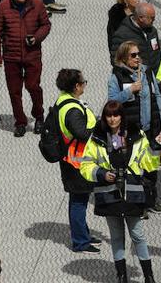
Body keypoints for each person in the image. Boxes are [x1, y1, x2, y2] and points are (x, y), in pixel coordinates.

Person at [78, 100, 161, 283]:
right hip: (109, 194)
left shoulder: (136, 135)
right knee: (116, 237)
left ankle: (149, 277)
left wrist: (156, 147)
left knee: (138, 235)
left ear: (122, 116)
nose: (112, 119)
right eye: (109, 115)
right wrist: (101, 173)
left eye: (116, 115)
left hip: (132, 193)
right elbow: (85, 165)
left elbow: (149, 164)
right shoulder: (97, 137)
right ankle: (121, 276)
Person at [0, 0, 50, 136]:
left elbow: (46, 25)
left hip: (32, 55)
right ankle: (20, 122)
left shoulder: (37, 4)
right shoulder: (3, 7)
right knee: (14, 91)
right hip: (12, 57)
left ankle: (39, 116)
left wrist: (36, 37)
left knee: (33, 86)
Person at [54, 68, 100, 253]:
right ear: (76, 86)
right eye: (83, 82)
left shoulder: (65, 100)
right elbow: (81, 133)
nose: (85, 85)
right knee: (79, 201)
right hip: (76, 163)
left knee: (78, 199)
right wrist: (99, 129)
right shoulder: (72, 109)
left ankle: (84, 235)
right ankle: (80, 242)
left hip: (74, 160)